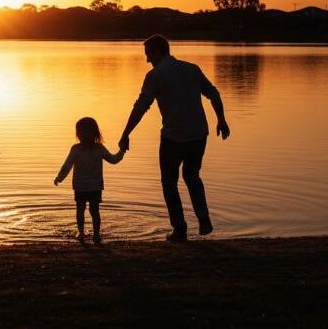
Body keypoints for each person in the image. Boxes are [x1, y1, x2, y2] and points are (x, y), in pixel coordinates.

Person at [118, 35, 230, 242]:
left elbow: (141, 106)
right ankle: (203, 218)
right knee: (192, 175)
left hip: (173, 137)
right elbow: (214, 94)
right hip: (198, 133)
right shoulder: (192, 69)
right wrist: (221, 120)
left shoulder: (155, 75)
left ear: (160, 51)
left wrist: (126, 133)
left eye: (149, 54)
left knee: (169, 182)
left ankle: (179, 229)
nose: (147, 59)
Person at [54, 117, 125, 244]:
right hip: (93, 187)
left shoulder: (78, 149)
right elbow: (114, 160)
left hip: (82, 187)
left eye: (80, 132)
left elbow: (67, 166)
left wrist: (60, 177)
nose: (80, 135)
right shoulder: (97, 148)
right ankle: (95, 235)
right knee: (94, 210)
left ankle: (82, 233)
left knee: (81, 210)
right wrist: (122, 150)